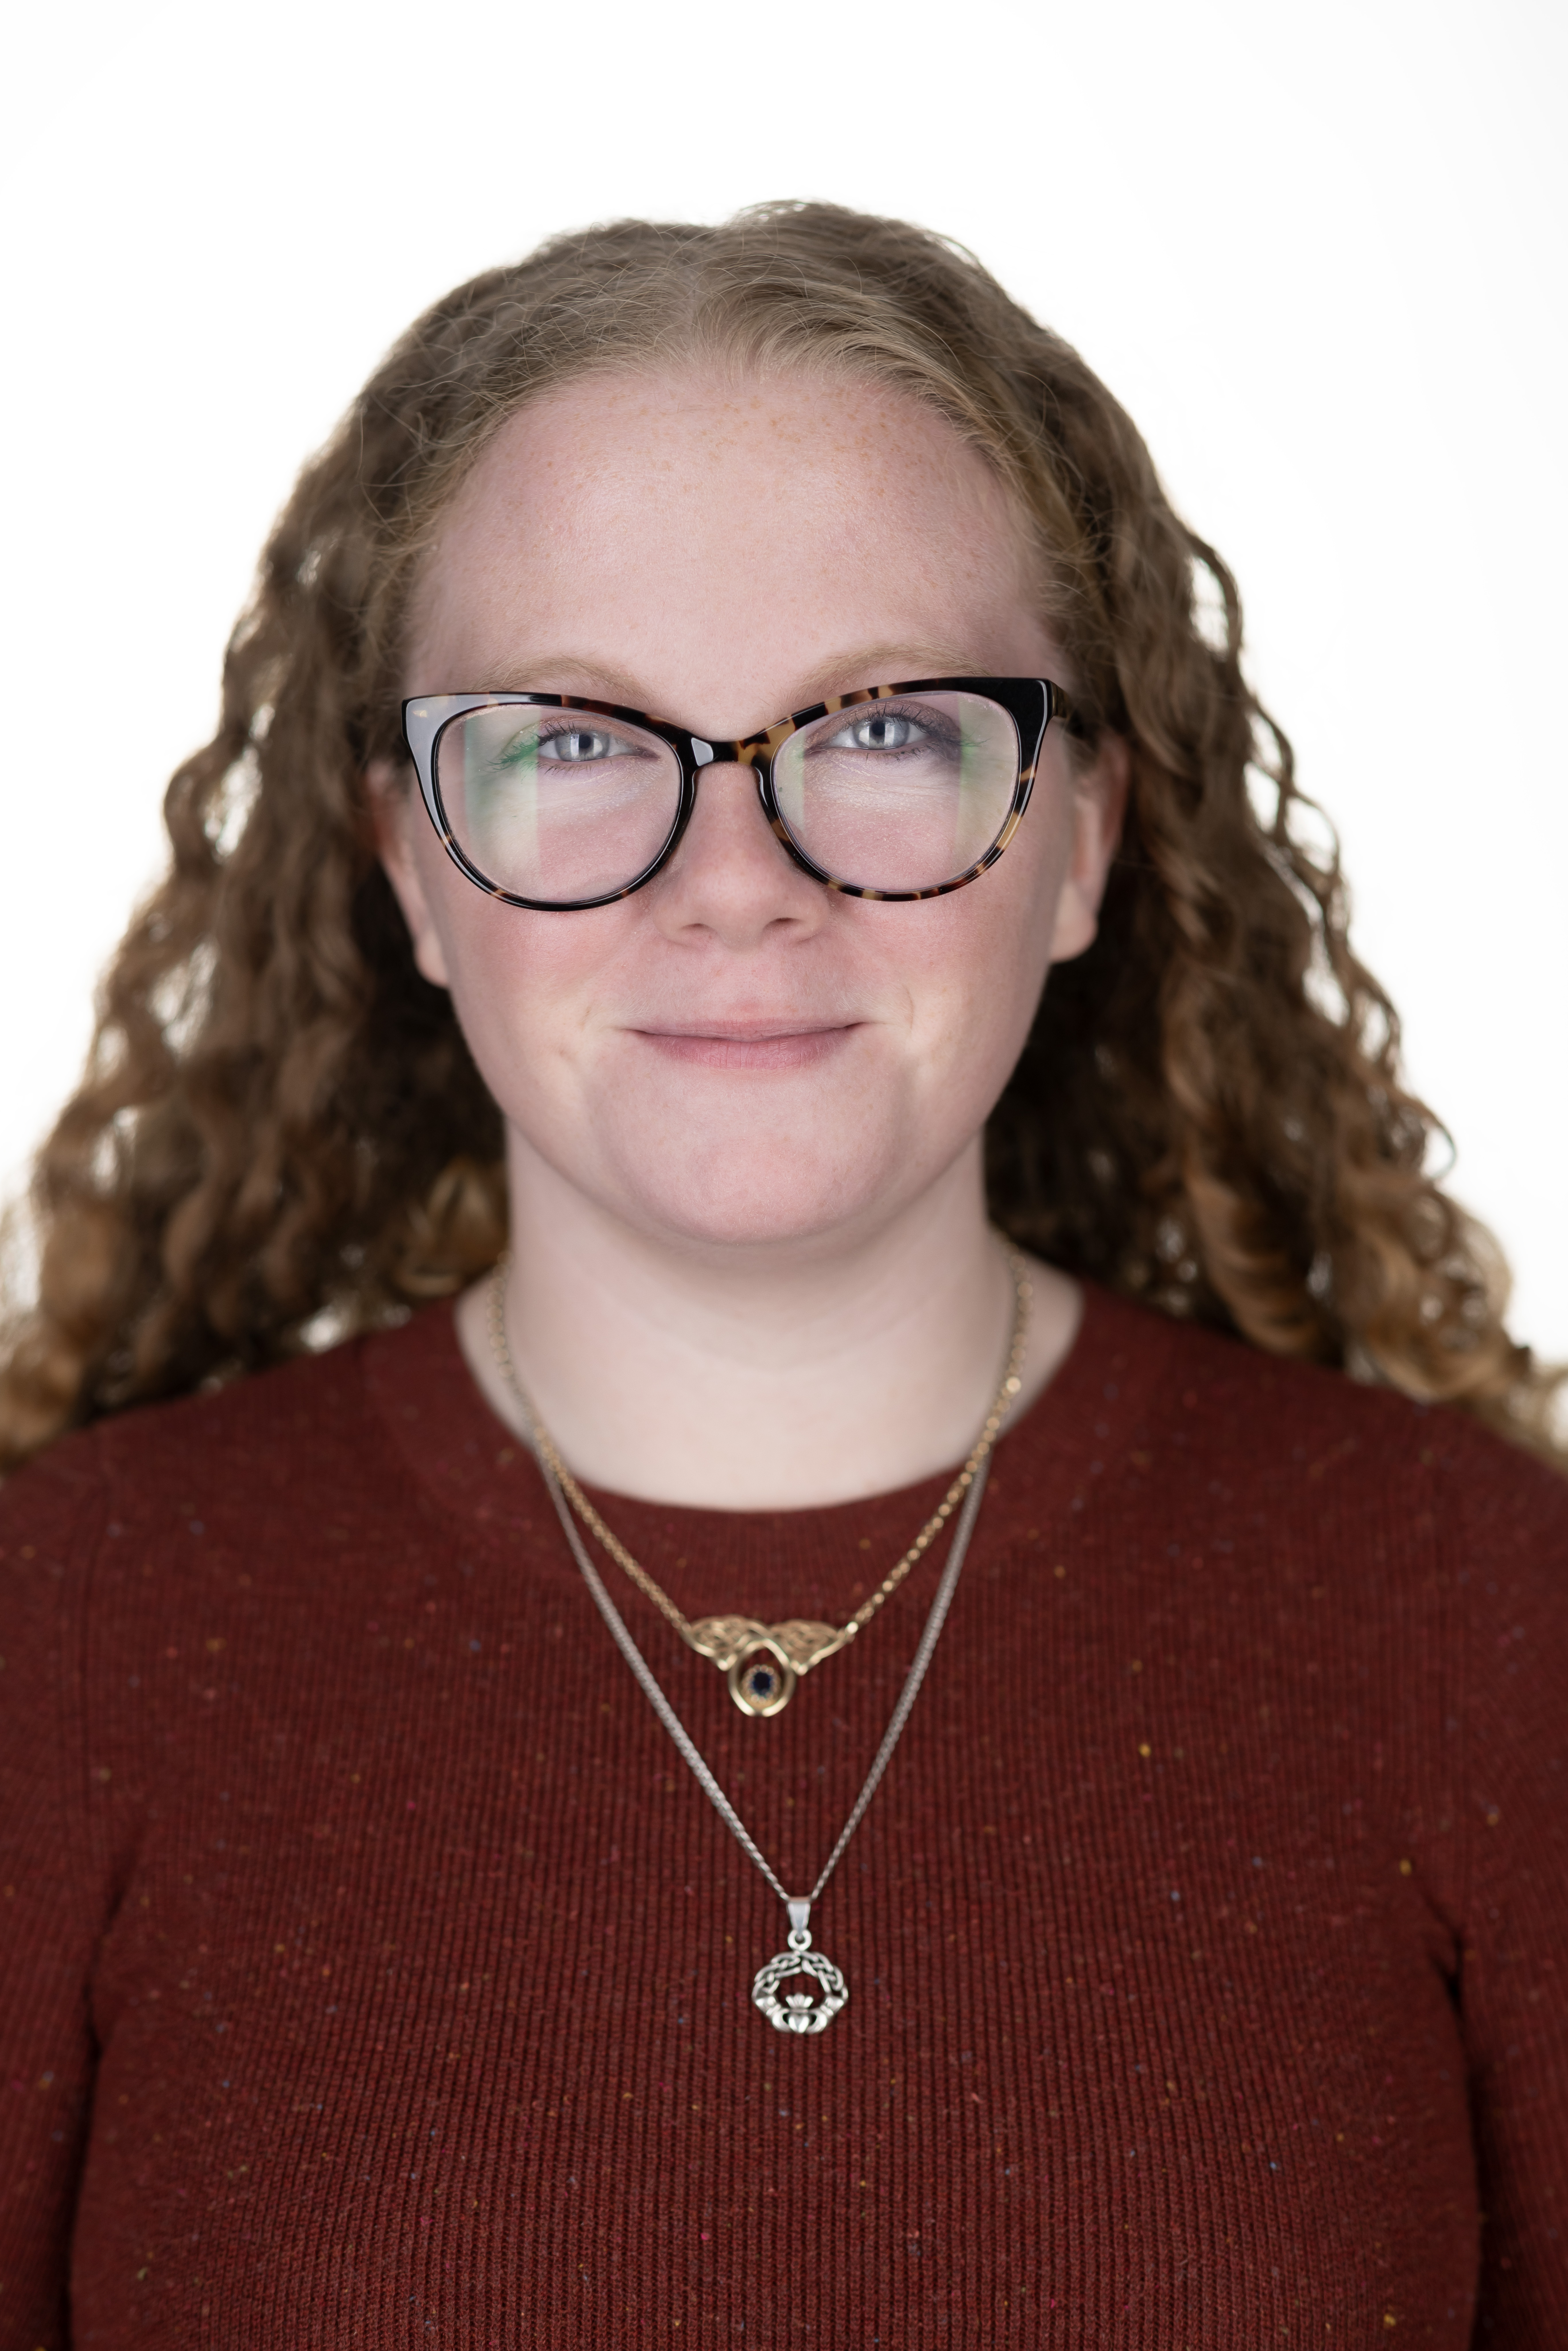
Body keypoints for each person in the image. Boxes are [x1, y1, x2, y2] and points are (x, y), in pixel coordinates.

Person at [0, 202, 1563, 2346]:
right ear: (411, 869)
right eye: (572, 742)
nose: (736, 884)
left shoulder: (1487, 1618)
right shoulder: (60, 1635)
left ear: (1084, 836)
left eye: (886, 731)